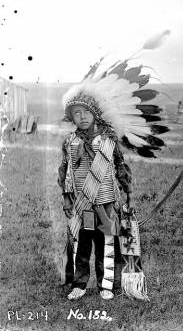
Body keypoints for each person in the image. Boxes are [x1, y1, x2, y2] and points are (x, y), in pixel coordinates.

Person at [58, 93, 132, 301]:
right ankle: (79, 283)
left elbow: (120, 168)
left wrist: (128, 195)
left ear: (96, 113)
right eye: (77, 113)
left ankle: (106, 285)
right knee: (81, 244)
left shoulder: (108, 141)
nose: (82, 117)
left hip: (106, 203)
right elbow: (66, 173)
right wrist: (66, 199)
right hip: (82, 205)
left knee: (106, 243)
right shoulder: (70, 142)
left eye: (87, 112)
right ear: (71, 118)